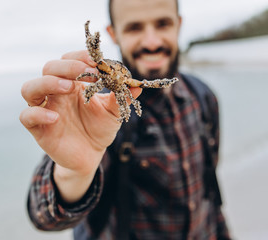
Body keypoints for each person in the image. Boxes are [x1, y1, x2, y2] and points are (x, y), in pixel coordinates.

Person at [20, 0, 232, 239]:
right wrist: (74, 172)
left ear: (179, 25)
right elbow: (43, 215)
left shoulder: (203, 97)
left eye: (163, 24)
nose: (151, 42)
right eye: (134, 28)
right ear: (113, 34)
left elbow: (209, 193)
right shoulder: (97, 113)